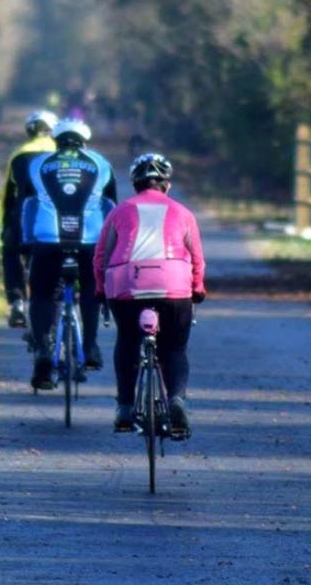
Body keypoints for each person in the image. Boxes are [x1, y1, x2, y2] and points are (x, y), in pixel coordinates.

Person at [92, 153, 206, 437]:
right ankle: (177, 399)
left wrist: (99, 288)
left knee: (128, 340)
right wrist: (198, 288)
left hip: (127, 284)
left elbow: (100, 256)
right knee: (174, 348)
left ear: (135, 184)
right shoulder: (183, 213)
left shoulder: (119, 212)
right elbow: (197, 259)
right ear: (166, 185)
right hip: (174, 285)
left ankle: (125, 407)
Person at [18, 118, 118, 389]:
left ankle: (42, 353)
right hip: (90, 242)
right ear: (84, 141)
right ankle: (91, 346)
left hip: (48, 241)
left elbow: (27, 205)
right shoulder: (100, 163)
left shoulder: (37, 164)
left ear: (56, 140)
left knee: (41, 294)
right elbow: (112, 206)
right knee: (91, 288)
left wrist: (26, 243)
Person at [1, 109, 58, 328]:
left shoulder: (18, 155)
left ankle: (16, 300)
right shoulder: (60, 152)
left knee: (10, 251)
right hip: (55, 222)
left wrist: (7, 225)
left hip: (24, 220)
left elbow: (8, 196)